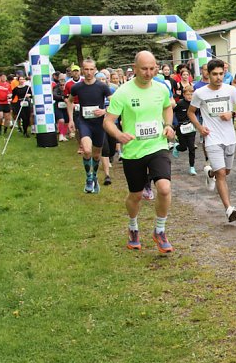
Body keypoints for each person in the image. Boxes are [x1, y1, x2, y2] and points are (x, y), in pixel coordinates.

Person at [104, 51, 176, 253]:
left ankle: (160, 231)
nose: (148, 73)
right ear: (135, 68)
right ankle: (133, 227)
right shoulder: (123, 92)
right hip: (133, 151)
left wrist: (168, 125)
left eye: (152, 68)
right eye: (144, 69)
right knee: (135, 196)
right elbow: (108, 121)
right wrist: (119, 135)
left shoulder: (161, 89)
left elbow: (167, 107)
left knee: (164, 188)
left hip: (157, 146)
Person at [188, 58, 236, 223]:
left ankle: (211, 173)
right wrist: (200, 127)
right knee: (222, 174)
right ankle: (229, 209)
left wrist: (232, 114)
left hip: (229, 138)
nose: (218, 77)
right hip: (212, 138)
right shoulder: (200, 93)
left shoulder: (231, 90)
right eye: (215, 74)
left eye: (221, 74)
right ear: (208, 74)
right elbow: (191, 112)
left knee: (225, 172)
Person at [67, 59, 112, 194]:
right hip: (84, 122)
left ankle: (95, 176)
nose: (89, 72)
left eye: (91, 69)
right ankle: (88, 178)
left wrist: (104, 111)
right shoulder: (77, 87)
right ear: (82, 70)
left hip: (98, 124)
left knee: (96, 155)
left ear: (95, 70)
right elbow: (69, 101)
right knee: (87, 151)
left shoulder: (102, 86)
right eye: (86, 69)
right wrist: (71, 120)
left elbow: (115, 102)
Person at [173, 86, 197, 175]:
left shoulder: (194, 104)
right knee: (183, 148)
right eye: (188, 94)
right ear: (183, 95)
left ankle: (192, 167)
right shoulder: (180, 103)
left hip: (191, 127)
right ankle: (177, 147)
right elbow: (172, 111)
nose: (190, 96)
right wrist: (174, 125)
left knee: (191, 148)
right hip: (181, 128)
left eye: (191, 94)